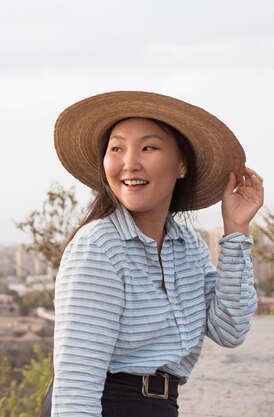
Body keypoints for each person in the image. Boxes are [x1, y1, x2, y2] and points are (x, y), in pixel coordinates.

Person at [47, 91, 264, 417]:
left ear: (181, 165)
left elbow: (229, 330)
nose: (129, 163)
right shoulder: (99, 247)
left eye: (148, 147)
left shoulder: (189, 246)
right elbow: (76, 382)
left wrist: (235, 230)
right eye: (116, 148)